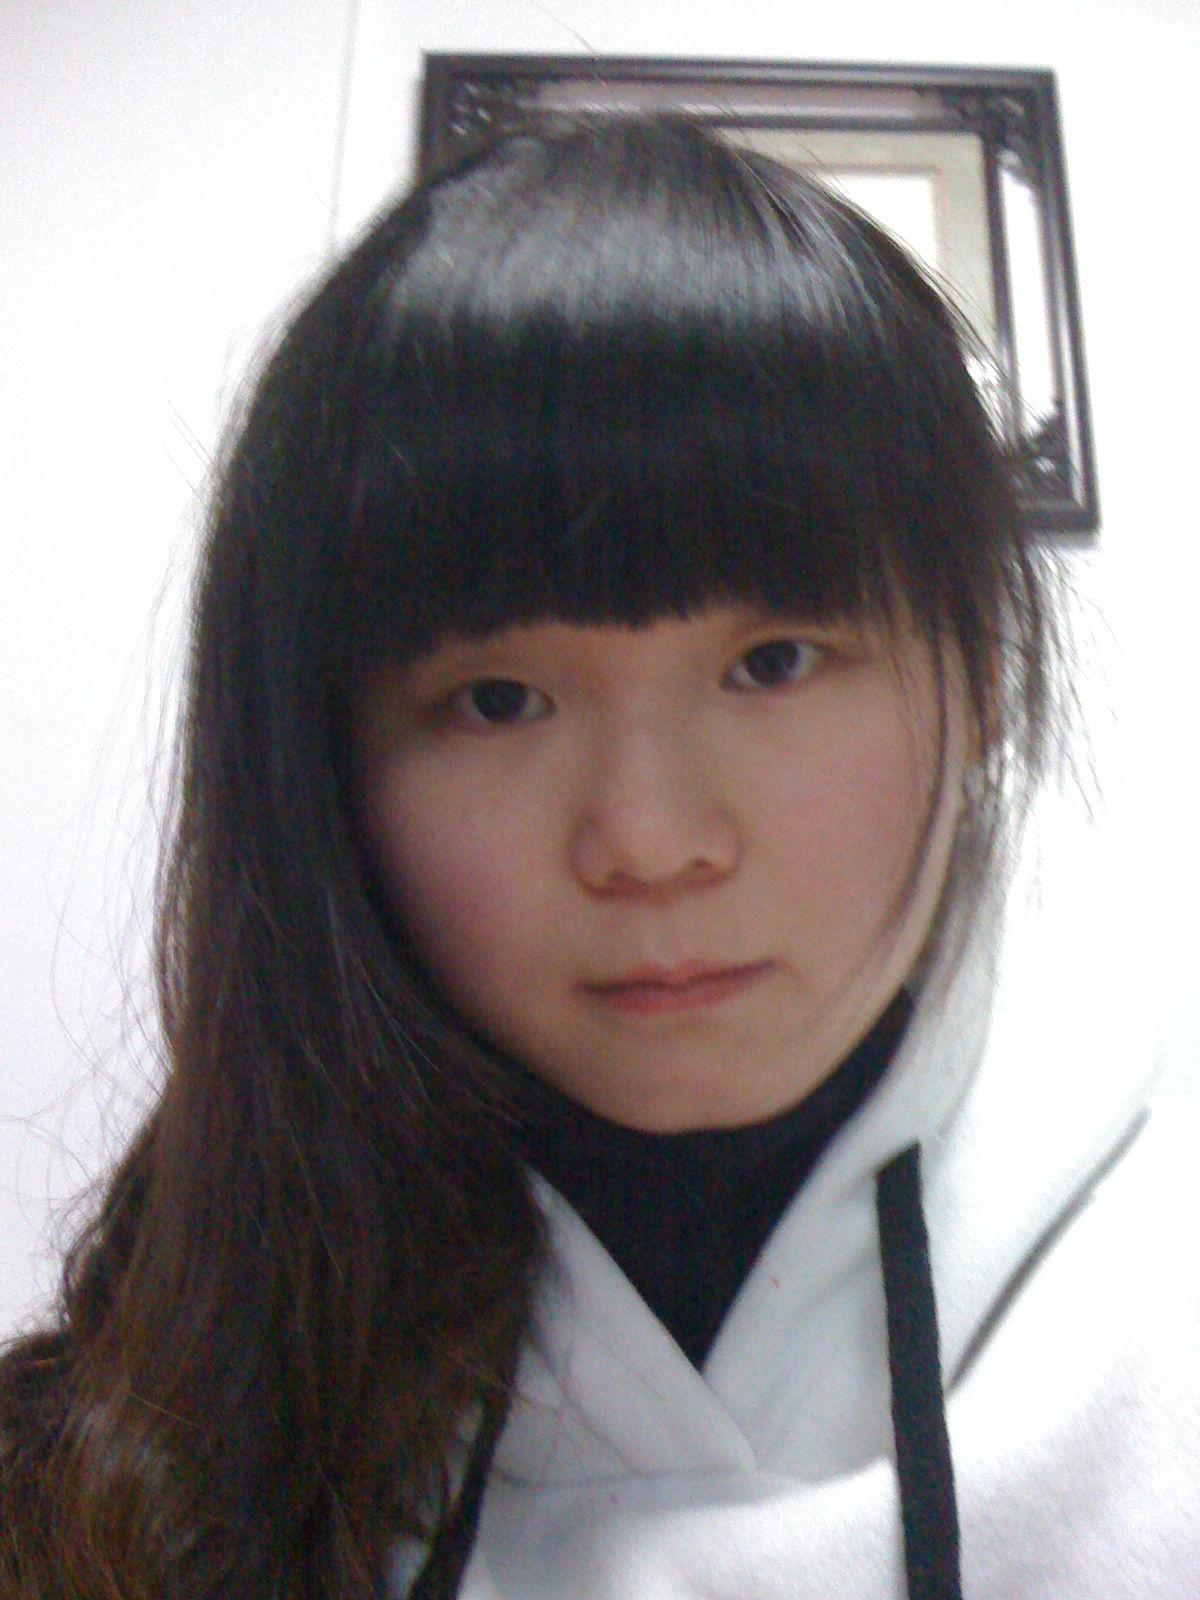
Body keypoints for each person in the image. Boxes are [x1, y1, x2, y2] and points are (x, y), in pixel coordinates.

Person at [0, 115, 1195, 1600]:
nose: (650, 843)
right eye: (497, 700)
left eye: (776, 662)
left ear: (989, 674)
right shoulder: (145, 1420)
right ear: (322, 764)